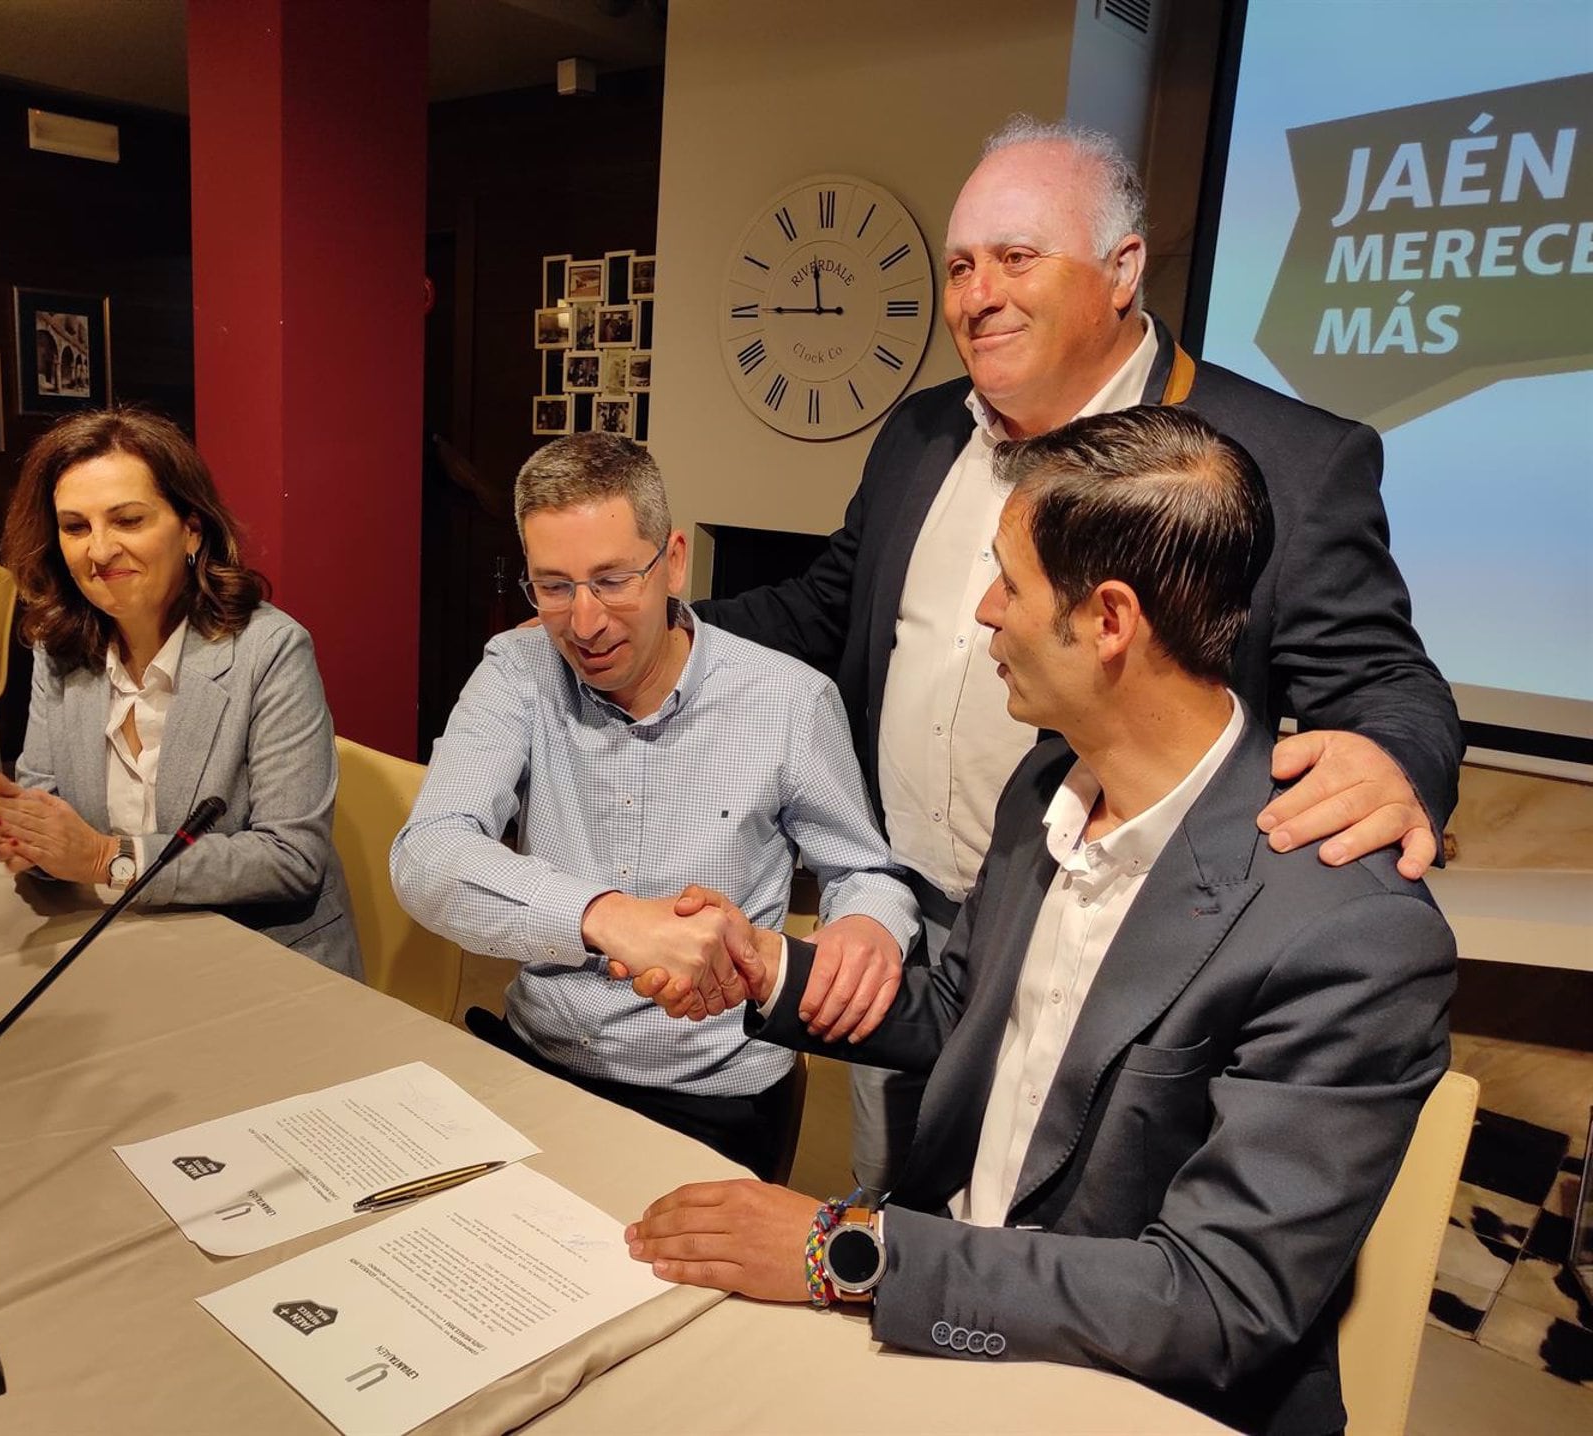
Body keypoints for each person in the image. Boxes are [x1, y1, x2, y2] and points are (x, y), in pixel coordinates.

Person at [627, 406, 1455, 1436]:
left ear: (1109, 620)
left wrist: (849, 1251)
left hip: (1132, 1394)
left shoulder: (1351, 929)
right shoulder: (1052, 781)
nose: (983, 610)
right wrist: (770, 971)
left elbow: (1215, 1300)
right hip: (952, 1327)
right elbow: (959, 1011)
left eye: (1010, 582)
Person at [697, 115, 1464, 1192]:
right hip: (906, 923)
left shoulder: (1280, 461)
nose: (977, 294)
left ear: (1122, 270)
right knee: (912, 1192)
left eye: (1017, 257)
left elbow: (1385, 679)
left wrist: (1395, 760)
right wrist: (669, 630)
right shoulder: (919, 435)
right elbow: (830, 608)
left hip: (1115, 948)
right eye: (961, 265)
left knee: (1059, 1214)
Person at [391, 433, 918, 1180]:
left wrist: (865, 925)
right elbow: (427, 854)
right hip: (541, 1059)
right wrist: (611, 919)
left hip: (713, 1093)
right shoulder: (517, 672)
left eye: (611, 580)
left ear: (673, 560)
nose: (584, 622)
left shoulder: (789, 700)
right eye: (553, 586)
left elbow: (865, 870)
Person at [0, 407, 362, 978]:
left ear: (191, 529)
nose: (98, 551)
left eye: (127, 520)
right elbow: (50, 807)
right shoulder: (60, 650)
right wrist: (33, 840)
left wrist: (108, 858)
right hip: (114, 944)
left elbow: (290, 858)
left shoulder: (271, 650)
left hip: (261, 959)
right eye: (76, 527)